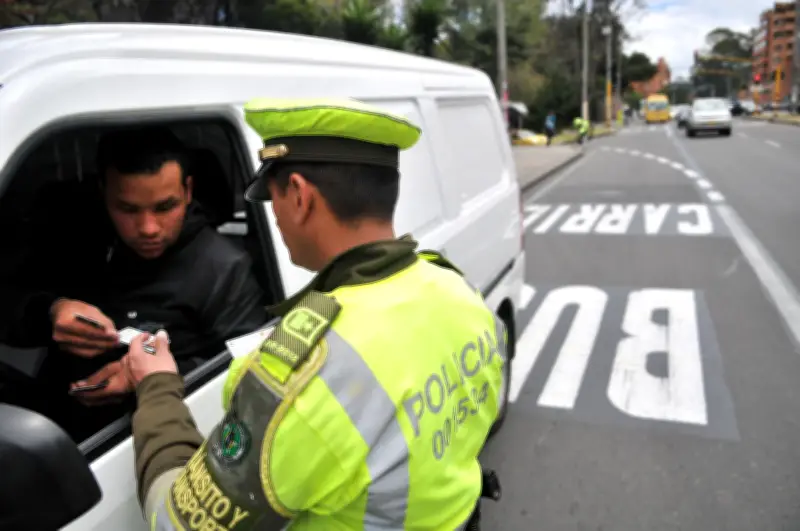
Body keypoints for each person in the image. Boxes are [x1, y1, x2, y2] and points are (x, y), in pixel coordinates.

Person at [123, 98, 508, 530]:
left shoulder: (306, 378)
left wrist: (156, 388)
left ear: (301, 197)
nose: (276, 218)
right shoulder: (456, 290)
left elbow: (177, 525)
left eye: (271, 199)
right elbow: (480, 418)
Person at [0, 127, 268, 441]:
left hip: (143, 438)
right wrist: (50, 311)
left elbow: (247, 367)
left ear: (188, 190)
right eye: (127, 209)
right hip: (54, 424)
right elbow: (9, 308)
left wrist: (145, 376)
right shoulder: (80, 242)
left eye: (165, 207)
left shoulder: (223, 268)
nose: (147, 228)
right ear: (103, 192)